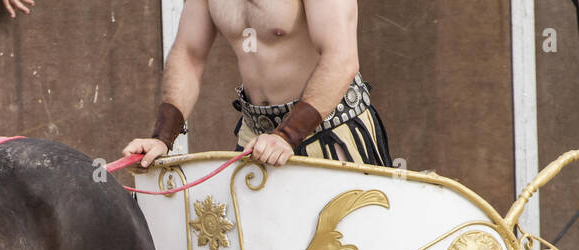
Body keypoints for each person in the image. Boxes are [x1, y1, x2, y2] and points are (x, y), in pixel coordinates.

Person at [124, 0, 389, 168]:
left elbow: (341, 58)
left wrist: (287, 135)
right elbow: (189, 55)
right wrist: (162, 138)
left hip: (330, 133)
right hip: (256, 138)